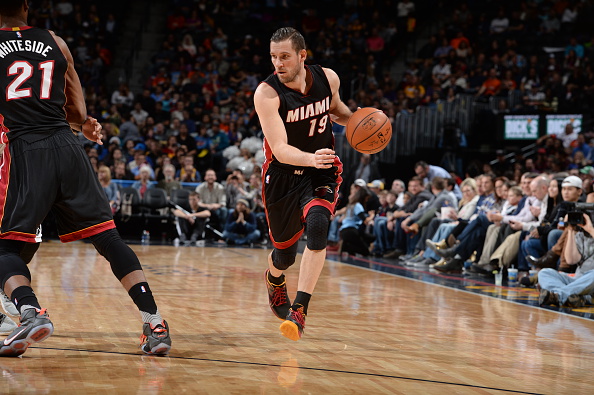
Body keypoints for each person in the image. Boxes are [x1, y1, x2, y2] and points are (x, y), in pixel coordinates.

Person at [0, 1, 170, 357]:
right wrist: (84, 126)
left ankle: (29, 312)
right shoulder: (56, 42)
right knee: (108, 238)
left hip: (24, 151)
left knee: (4, 248)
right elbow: (78, 112)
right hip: (67, 145)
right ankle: (154, 321)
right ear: (27, 6)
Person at [254, 27, 352, 341]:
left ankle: (300, 309)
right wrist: (310, 159)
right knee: (284, 255)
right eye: (273, 56)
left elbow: (336, 110)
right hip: (283, 176)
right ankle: (274, 277)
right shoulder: (267, 94)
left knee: (319, 222)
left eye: (284, 56)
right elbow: (280, 148)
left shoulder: (328, 78)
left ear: (301, 56)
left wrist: (361, 120)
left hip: (321, 170)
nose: (278, 63)